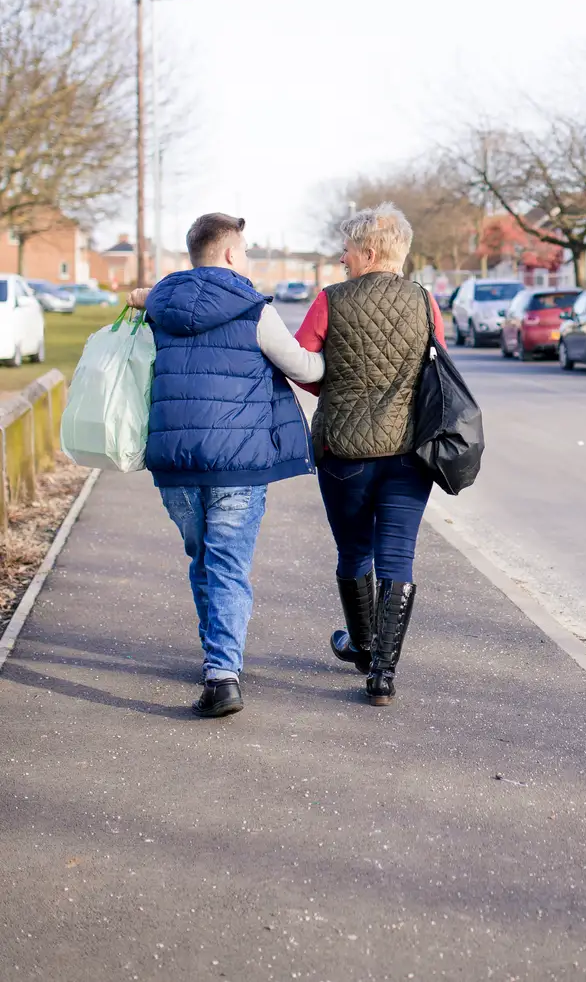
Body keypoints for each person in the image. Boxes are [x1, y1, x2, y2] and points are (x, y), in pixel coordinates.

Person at [132, 214, 325, 718]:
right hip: (236, 465)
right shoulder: (253, 309)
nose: (249, 260)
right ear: (230, 255)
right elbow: (304, 368)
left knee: (203, 559)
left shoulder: (159, 304)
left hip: (173, 462)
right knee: (228, 564)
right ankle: (222, 672)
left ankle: (218, 657)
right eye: (245, 251)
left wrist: (140, 296)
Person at [294, 202, 445, 706]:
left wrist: (335, 393)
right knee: (398, 554)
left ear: (369, 250)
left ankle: (361, 645)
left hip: (345, 451)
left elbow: (302, 365)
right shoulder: (425, 302)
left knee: (354, 550)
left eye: (347, 250)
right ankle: (381, 676)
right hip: (409, 452)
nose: (342, 259)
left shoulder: (331, 300)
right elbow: (437, 372)